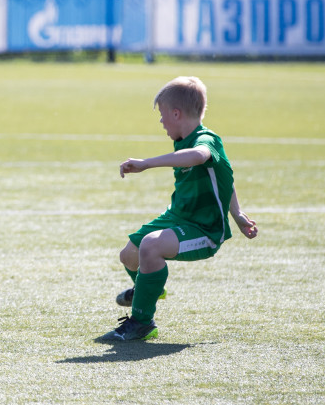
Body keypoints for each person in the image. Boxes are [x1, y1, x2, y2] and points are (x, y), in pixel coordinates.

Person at [103, 76, 258, 341]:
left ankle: (142, 322)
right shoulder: (182, 140)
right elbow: (224, 175)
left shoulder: (206, 139)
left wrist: (147, 163)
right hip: (178, 217)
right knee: (129, 255)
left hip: (204, 229)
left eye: (163, 116)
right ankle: (151, 289)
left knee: (150, 247)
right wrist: (238, 212)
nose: (161, 122)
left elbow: (201, 157)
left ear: (176, 113)